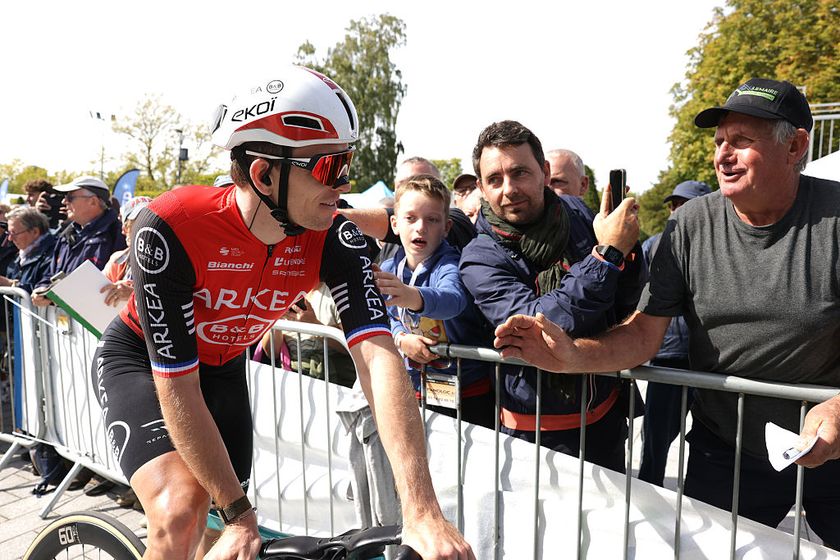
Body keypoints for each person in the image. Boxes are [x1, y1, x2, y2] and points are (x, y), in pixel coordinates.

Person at [90, 65, 473, 560]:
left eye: (347, 164)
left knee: (220, 540)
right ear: (264, 173)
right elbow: (177, 385)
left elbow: (378, 359)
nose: (342, 185)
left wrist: (422, 512)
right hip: (144, 363)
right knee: (184, 511)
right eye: (329, 168)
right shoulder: (170, 225)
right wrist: (240, 514)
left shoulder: (333, 235)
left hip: (223, 369)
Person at [494, 78, 840, 547]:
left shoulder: (835, 219)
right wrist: (572, 355)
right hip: (726, 452)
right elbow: (643, 334)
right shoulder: (690, 223)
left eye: (742, 141)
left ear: (796, 145)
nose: (723, 155)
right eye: (719, 142)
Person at [460, 120, 646, 471]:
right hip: (531, 431)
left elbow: (623, 295)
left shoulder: (576, 212)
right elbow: (538, 326)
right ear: (482, 188)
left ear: (544, 172)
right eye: (495, 180)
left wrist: (629, 250)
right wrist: (607, 255)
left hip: (604, 417)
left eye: (520, 173)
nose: (509, 189)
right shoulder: (478, 256)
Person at [378, 175, 494, 429]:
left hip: (468, 390)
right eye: (411, 218)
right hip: (416, 386)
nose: (421, 227)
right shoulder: (389, 267)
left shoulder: (450, 263)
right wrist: (401, 338)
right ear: (395, 224)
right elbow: (387, 316)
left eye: (432, 219)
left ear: (446, 228)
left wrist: (412, 296)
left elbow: (453, 300)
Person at [637, 180, 710, 486]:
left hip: (712, 359)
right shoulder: (655, 244)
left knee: (711, 442)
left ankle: (703, 498)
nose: (678, 211)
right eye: (674, 204)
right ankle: (647, 494)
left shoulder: (722, 247)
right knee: (657, 438)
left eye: (686, 204)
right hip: (668, 356)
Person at [31, 176, 125, 306]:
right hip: (62, 322)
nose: (64, 201)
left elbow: (118, 280)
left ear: (93, 201)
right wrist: (42, 289)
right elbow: (50, 273)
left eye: (70, 197)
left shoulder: (117, 232)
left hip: (98, 319)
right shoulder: (67, 234)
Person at [100, 196, 152, 307]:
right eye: (138, 222)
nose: (147, 227)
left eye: (151, 220)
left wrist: (134, 296)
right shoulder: (118, 260)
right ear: (125, 229)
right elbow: (98, 294)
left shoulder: (170, 259)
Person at [0, 207, 56, 293]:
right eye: (8, 233)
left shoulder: (53, 253)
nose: (10, 239)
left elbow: (43, 290)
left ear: (35, 232)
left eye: (14, 233)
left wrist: (10, 284)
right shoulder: (21, 254)